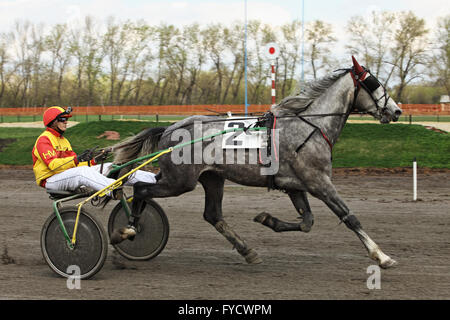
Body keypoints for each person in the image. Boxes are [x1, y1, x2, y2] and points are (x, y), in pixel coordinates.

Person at [32, 106, 156, 197]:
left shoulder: (63, 141)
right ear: (52, 122)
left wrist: (93, 161)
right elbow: (53, 165)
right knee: (82, 172)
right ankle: (111, 190)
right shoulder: (44, 140)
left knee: (112, 167)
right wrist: (77, 159)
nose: (66, 122)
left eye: (66, 119)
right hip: (51, 180)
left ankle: (156, 180)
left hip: (68, 175)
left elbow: (75, 165)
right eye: (62, 119)